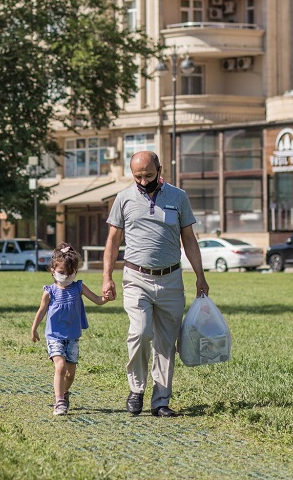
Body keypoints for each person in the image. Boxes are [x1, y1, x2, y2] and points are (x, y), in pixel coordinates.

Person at [102, 151, 208, 418]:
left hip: (171, 279)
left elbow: (189, 239)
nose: (143, 180)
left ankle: (160, 401)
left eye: (148, 175)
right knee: (139, 331)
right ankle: (136, 389)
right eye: (137, 176)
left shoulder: (178, 197)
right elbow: (113, 240)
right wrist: (106, 277)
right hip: (136, 277)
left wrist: (200, 275)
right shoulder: (123, 198)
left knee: (165, 343)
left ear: (160, 169)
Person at [31, 243, 108, 416]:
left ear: (76, 272)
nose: (66, 276)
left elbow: (97, 299)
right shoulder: (49, 291)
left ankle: (64, 394)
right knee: (60, 367)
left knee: (70, 374)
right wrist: (34, 328)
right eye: (62, 272)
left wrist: (106, 297)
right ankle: (59, 402)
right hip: (54, 336)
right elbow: (41, 310)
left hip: (73, 337)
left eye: (70, 273)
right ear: (52, 270)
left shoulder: (78, 287)